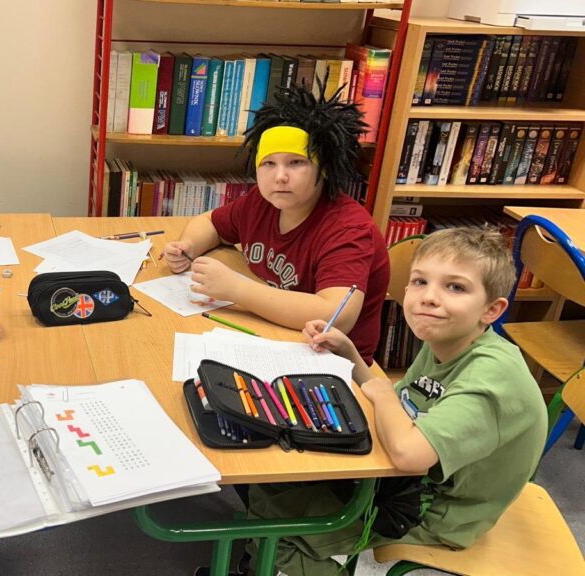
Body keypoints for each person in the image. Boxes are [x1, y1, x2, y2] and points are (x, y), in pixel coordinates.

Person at [240, 227, 547, 576]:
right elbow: (401, 404)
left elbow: (408, 453)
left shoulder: (492, 378)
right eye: (420, 282)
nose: (429, 298)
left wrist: (384, 393)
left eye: (455, 287)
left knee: (279, 537)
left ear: (492, 310)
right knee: (268, 484)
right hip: (405, 481)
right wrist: (348, 353)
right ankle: (256, 564)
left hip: (437, 510)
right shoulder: (449, 341)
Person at [163, 82, 389, 365]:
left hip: (335, 362)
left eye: (296, 163)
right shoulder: (263, 201)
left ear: (324, 168)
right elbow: (211, 223)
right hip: (274, 334)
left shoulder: (348, 228)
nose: (280, 176)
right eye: (268, 163)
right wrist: (188, 246)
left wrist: (237, 289)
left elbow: (335, 315)